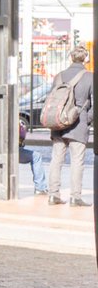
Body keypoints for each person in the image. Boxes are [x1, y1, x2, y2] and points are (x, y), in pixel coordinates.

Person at [47, 45, 94, 206]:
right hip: (78, 124)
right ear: (86, 59)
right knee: (77, 161)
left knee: (56, 160)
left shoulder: (59, 76)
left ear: (70, 58)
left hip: (58, 123)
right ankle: (75, 197)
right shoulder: (90, 77)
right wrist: (87, 118)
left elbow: (52, 100)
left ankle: (53, 195)